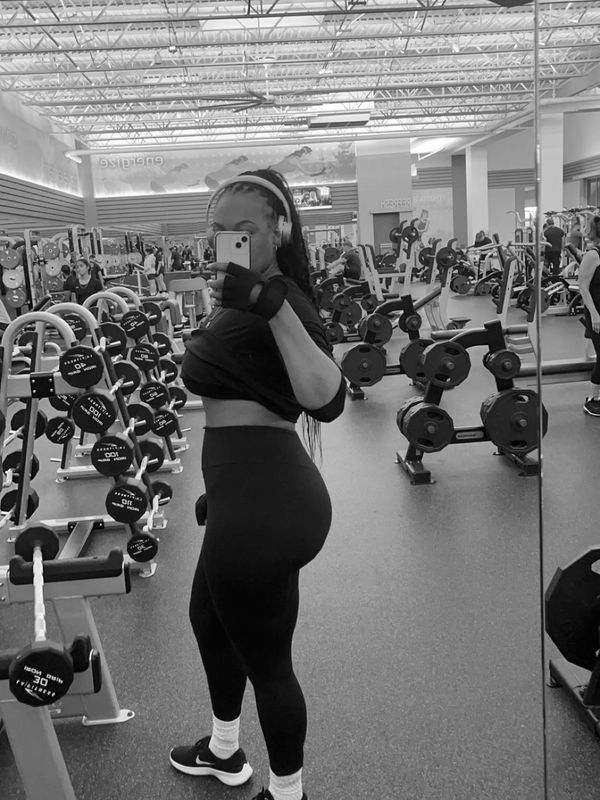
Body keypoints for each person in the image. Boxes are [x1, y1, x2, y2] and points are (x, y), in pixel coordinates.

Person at [171, 169, 346, 800]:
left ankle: (288, 792)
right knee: (207, 618)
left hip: (268, 502)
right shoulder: (236, 297)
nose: (230, 242)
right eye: (220, 231)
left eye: (245, 230)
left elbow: (326, 399)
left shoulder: (283, 298)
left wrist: (271, 305)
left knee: (268, 663)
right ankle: (223, 751)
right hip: (245, 492)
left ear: (280, 229)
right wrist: (222, 493)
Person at [577, 215, 600, 416]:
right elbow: (583, 287)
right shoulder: (592, 255)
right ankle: (592, 400)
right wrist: (595, 316)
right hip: (597, 313)